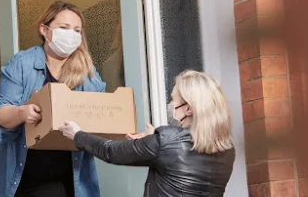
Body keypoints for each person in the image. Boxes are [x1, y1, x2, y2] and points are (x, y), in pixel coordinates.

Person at [0, 1, 105, 197]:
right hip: (20, 171)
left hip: (62, 174)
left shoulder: (88, 73)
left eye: (76, 31)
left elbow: (100, 116)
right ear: (44, 29)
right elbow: (1, 114)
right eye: (64, 28)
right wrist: (22, 112)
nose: (71, 35)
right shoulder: (22, 64)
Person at [62, 70, 236, 196]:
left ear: (188, 109)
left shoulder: (166, 142)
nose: (170, 105)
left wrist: (78, 135)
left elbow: (111, 151)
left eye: (172, 100)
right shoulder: (227, 149)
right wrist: (154, 140)